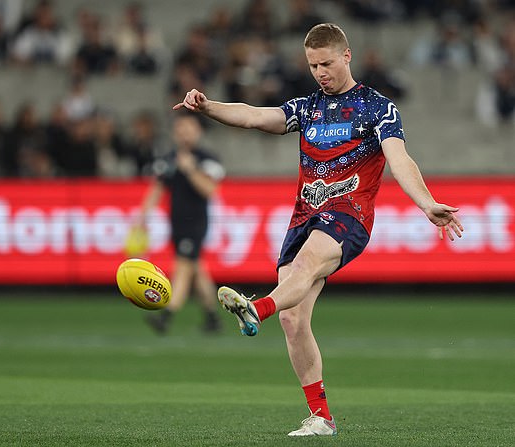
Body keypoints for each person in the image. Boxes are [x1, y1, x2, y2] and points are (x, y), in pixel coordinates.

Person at [173, 23, 463, 437]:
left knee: (307, 265)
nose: (320, 72)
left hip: (349, 215)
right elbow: (256, 116)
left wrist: (427, 203)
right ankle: (320, 417)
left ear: (347, 56)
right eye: (313, 65)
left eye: (327, 63)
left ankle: (256, 308)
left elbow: (400, 160)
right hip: (304, 217)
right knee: (294, 321)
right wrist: (207, 107)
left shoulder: (377, 108)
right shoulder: (307, 107)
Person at [137, 113, 225, 335]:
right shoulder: (167, 159)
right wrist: (143, 216)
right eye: (180, 129)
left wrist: (190, 169)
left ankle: (166, 316)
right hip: (176, 223)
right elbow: (157, 189)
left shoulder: (206, 159)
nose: (184, 133)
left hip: (196, 223)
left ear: (198, 132)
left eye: (189, 128)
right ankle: (213, 318)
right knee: (198, 271)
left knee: (183, 268)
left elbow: (210, 190)